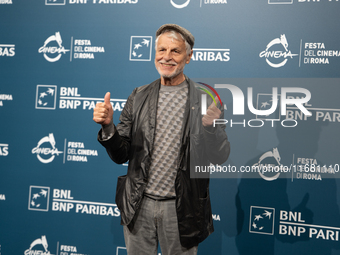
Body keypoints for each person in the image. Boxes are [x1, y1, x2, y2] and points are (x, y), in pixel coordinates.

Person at [93, 24, 230, 255]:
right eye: (161, 50)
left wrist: (211, 129)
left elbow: (220, 156)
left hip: (181, 210)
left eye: (175, 51)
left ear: (189, 56)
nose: (167, 57)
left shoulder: (206, 99)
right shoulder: (138, 95)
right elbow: (121, 155)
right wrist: (108, 128)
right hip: (138, 205)